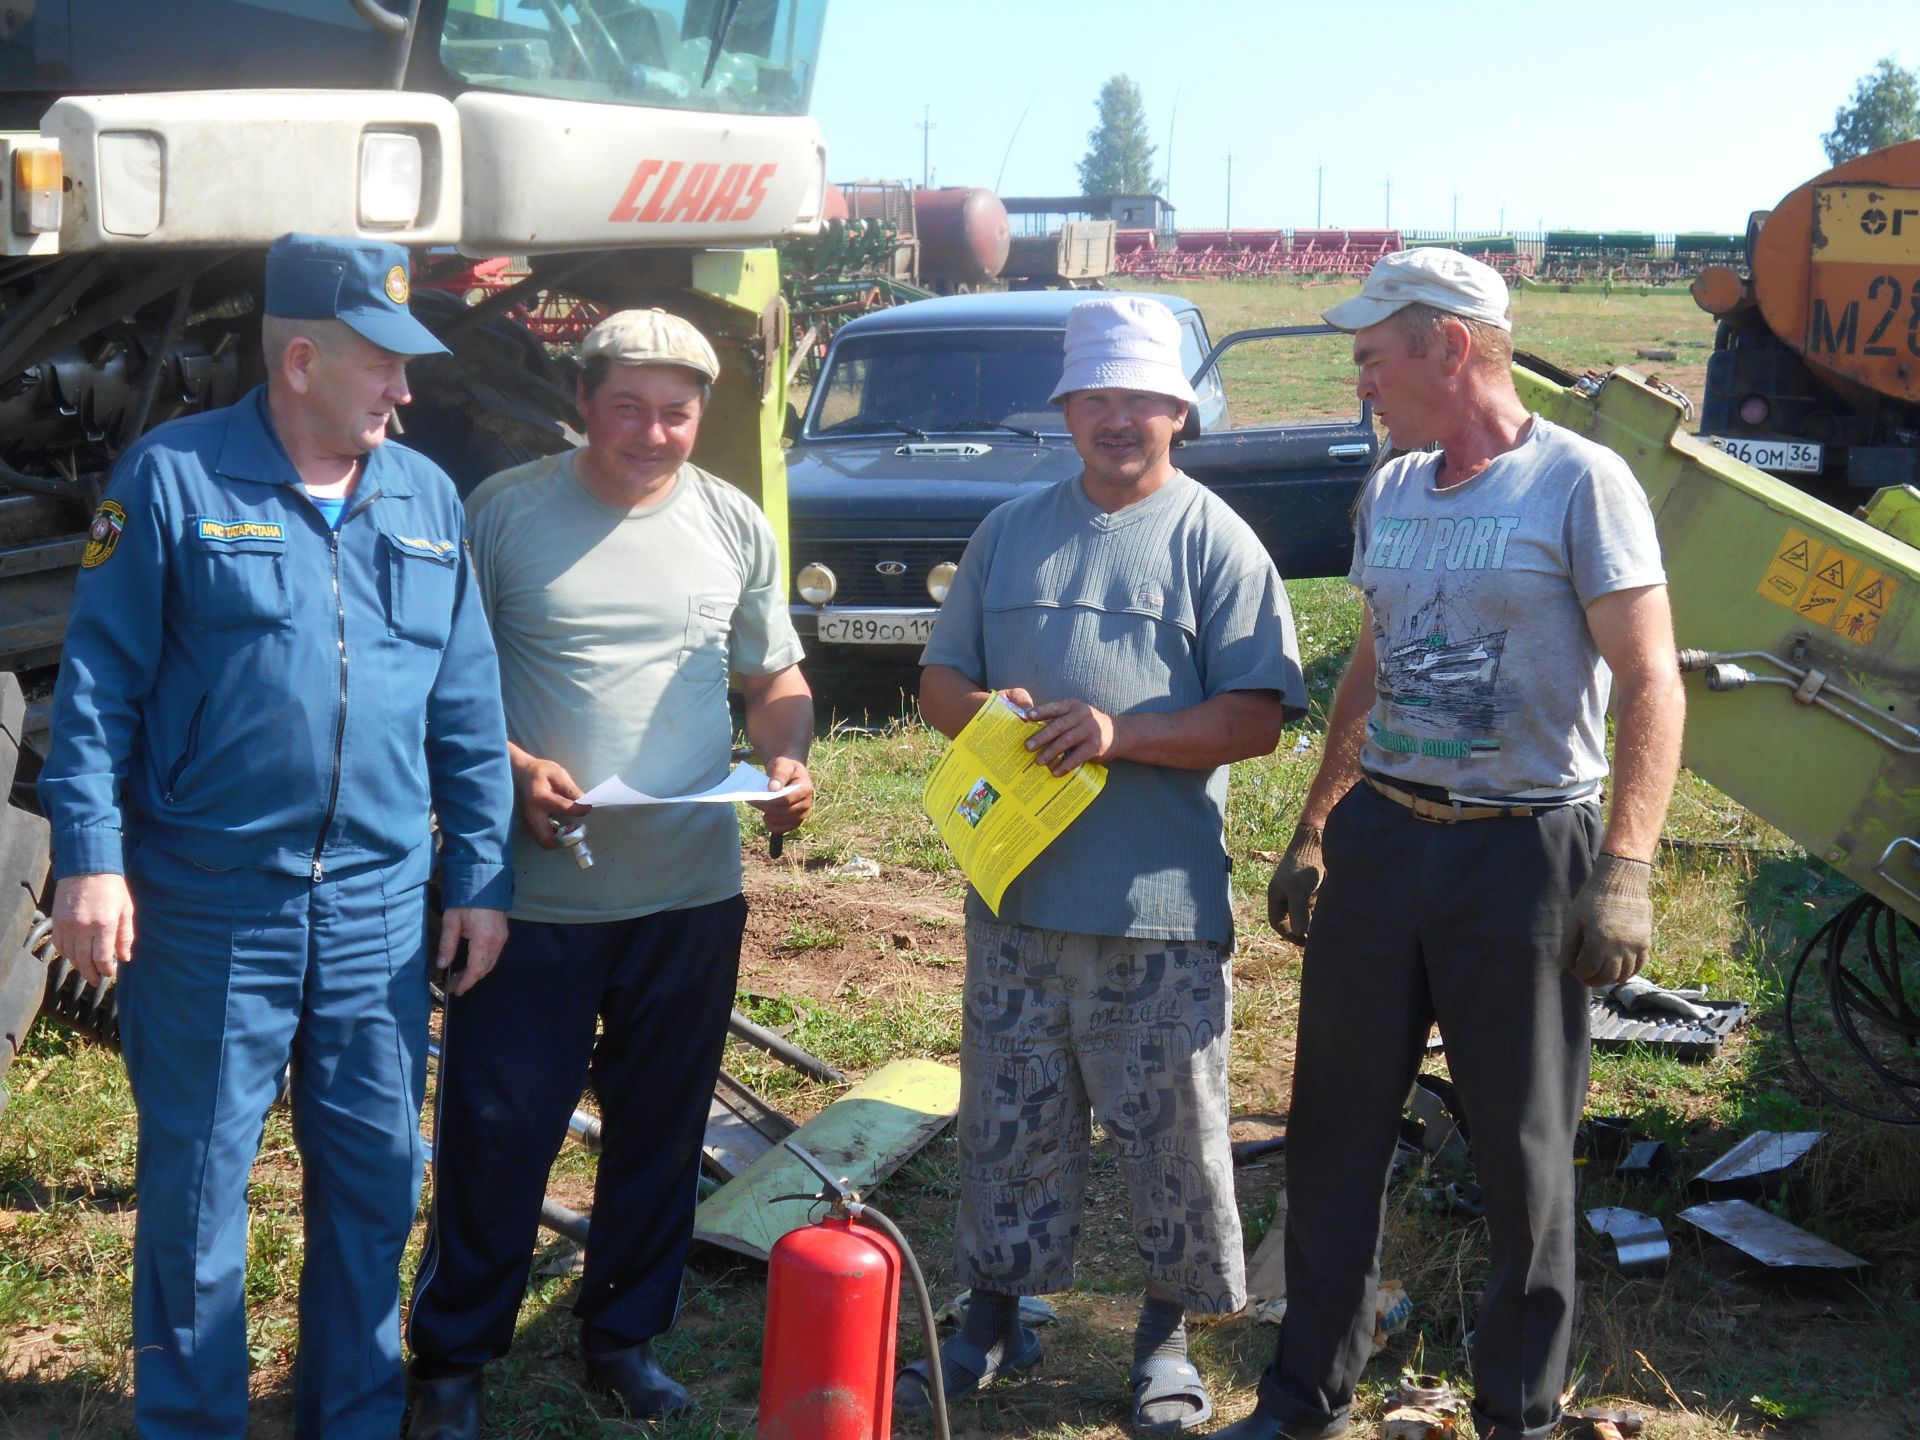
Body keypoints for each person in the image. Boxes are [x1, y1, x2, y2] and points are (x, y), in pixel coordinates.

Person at [39, 234, 515, 1439]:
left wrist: (483, 874)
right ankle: (193, 1424)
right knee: (197, 1196)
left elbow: (466, 700)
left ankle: (348, 1419)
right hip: (213, 906)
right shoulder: (171, 479)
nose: (406, 391)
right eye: (384, 365)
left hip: (374, 910)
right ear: (303, 359)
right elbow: (98, 685)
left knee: (372, 1187)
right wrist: (90, 857)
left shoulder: (424, 499)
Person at [1219, 249, 1685, 1440]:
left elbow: (1649, 680)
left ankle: (1517, 1414)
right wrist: (1320, 822)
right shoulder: (1395, 490)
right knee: (1334, 1131)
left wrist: (1625, 870)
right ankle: (1303, 1394)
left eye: (1373, 357)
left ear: (1451, 348)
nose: (1361, 382)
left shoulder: (1581, 484)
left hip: (1523, 856)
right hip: (1386, 840)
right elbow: (1372, 662)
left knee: (1522, 1158)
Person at [404, 308, 814, 1435]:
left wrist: (787, 754)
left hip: (688, 891)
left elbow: (775, 675)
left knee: (659, 1128)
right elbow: (445, 686)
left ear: (701, 416)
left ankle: (624, 1339)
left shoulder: (732, 522)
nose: (652, 431)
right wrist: (517, 768)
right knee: (500, 1131)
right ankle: (451, 1361)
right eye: (627, 405)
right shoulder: (507, 513)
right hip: (534, 900)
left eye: (676, 412)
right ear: (583, 399)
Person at [909, 295, 1307, 1433]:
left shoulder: (1214, 540)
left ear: (1180, 411)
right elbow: (941, 682)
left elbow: (1255, 718)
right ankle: (993, 1314)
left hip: (1157, 907)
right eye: (1096, 398)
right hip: (1017, 894)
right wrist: (989, 714)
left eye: (1141, 398)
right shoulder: (1010, 530)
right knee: (1009, 1114)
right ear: (1067, 410)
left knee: (1171, 1132)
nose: (1118, 418)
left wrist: (1120, 734)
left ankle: (1164, 1339)